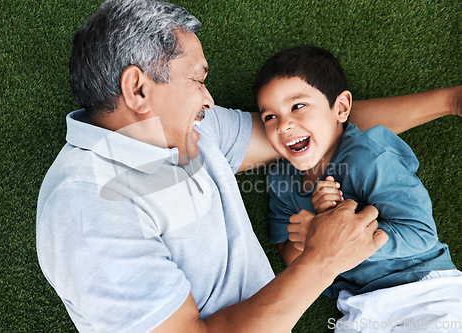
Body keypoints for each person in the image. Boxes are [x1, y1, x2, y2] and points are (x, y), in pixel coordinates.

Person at [36, 0, 461, 332]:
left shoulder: (185, 130)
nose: (208, 99)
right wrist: (322, 258)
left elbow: (322, 127)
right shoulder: (87, 207)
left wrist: (448, 101)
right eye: (198, 80)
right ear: (138, 89)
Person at [255, 45, 462, 332]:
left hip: (423, 291)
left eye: (297, 106)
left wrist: (336, 235)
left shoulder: (368, 158)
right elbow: (287, 251)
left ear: (340, 108)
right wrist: (311, 239)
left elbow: (421, 234)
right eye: (269, 117)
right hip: (360, 306)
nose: (284, 125)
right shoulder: (281, 180)